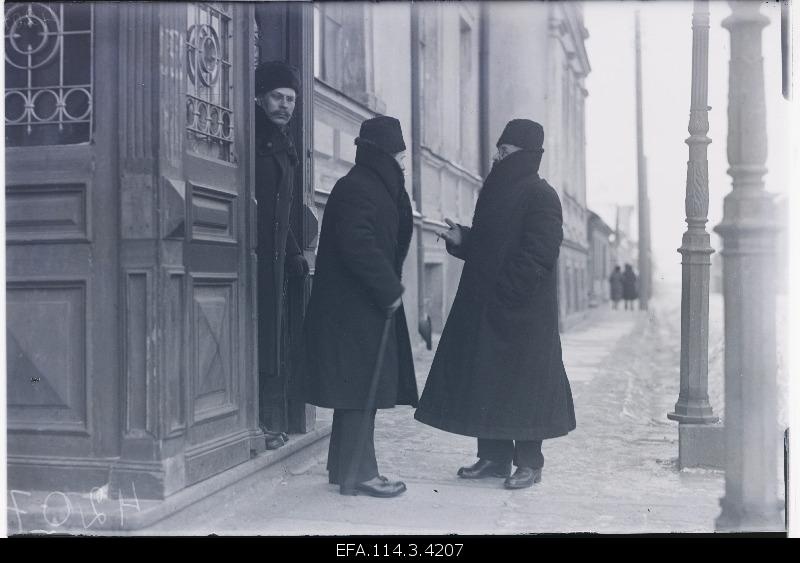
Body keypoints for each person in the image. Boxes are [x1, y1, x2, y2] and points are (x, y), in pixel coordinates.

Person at [414, 119, 575, 490]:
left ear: (528, 155)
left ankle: (530, 463)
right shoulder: (495, 193)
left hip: (523, 312)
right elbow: (493, 245)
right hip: (491, 307)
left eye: (506, 152)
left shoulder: (541, 195)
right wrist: (463, 240)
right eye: (498, 151)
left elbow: (540, 253)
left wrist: (507, 292)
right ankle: (493, 457)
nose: (498, 158)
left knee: (525, 385)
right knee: (489, 381)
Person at [302, 116, 418, 497]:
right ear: (383, 154)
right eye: (399, 156)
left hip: (359, 305)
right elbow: (358, 243)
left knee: (355, 388)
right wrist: (388, 288)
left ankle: (343, 468)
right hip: (354, 307)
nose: (402, 164)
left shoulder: (372, 187)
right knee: (358, 389)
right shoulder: (359, 188)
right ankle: (360, 474)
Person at [254, 61, 309, 450]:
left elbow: (284, 209)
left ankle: (273, 420)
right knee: (257, 336)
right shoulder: (251, 139)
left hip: (275, 258)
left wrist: (293, 253)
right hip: (251, 257)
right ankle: (259, 423)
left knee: (274, 336)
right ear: (259, 98)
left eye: (290, 99)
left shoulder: (285, 143)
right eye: (276, 97)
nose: (284, 105)